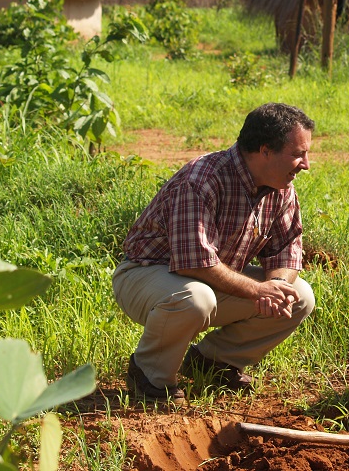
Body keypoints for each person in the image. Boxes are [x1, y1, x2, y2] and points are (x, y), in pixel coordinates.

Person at [113, 103, 316, 404]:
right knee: (195, 298)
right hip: (148, 275)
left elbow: (286, 250)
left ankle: (213, 361)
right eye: (298, 153)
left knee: (298, 296)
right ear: (265, 151)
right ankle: (148, 374)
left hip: (208, 280)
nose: (306, 164)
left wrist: (278, 285)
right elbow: (196, 263)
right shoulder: (201, 179)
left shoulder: (281, 187)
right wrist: (259, 290)